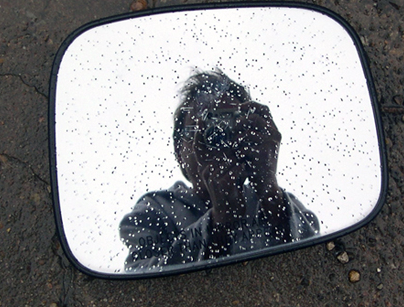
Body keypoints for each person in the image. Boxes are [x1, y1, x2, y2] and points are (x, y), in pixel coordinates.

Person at [119, 70, 319, 271]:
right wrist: (219, 222)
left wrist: (269, 190)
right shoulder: (157, 209)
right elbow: (142, 281)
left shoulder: (280, 202)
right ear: (179, 152)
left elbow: (316, 266)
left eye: (230, 126)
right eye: (201, 130)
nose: (217, 140)